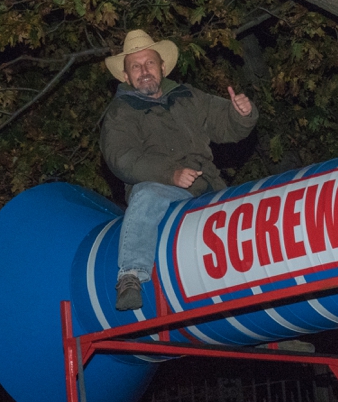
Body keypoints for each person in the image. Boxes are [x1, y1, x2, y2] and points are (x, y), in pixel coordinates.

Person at [101, 29, 258, 311]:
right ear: (126, 77)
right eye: (135, 67)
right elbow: (121, 157)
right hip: (160, 188)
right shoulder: (119, 113)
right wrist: (170, 174)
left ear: (162, 67)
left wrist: (242, 114)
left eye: (149, 63)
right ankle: (130, 275)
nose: (144, 71)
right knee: (146, 194)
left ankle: (262, 316)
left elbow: (224, 122)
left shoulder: (188, 96)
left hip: (209, 185)